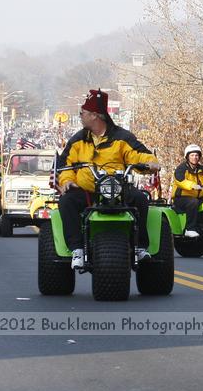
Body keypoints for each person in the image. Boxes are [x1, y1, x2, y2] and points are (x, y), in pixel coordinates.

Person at [56, 89, 160, 269]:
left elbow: (140, 154)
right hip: (87, 191)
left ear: (95, 116)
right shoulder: (78, 140)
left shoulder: (122, 137)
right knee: (66, 201)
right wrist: (66, 181)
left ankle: (140, 247)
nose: (80, 116)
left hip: (118, 191)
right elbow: (64, 165)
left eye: (83, 113)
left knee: (141, 199)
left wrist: (151, 163)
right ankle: (77, 249)